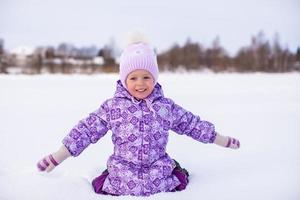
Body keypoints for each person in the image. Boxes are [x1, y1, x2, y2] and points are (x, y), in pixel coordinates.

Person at [37, 41, 240, 196]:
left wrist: (220, 139)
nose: (140, 84)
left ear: (155, 78)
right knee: (105, 184)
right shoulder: (113, 107)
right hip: (123, 174)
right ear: (124, 80)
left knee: (176, 177)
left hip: (157, 174)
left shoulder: (165, 107)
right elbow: (86, 131)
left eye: (146, 77)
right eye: (133, 78)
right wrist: (58, 156)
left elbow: (191, 124)